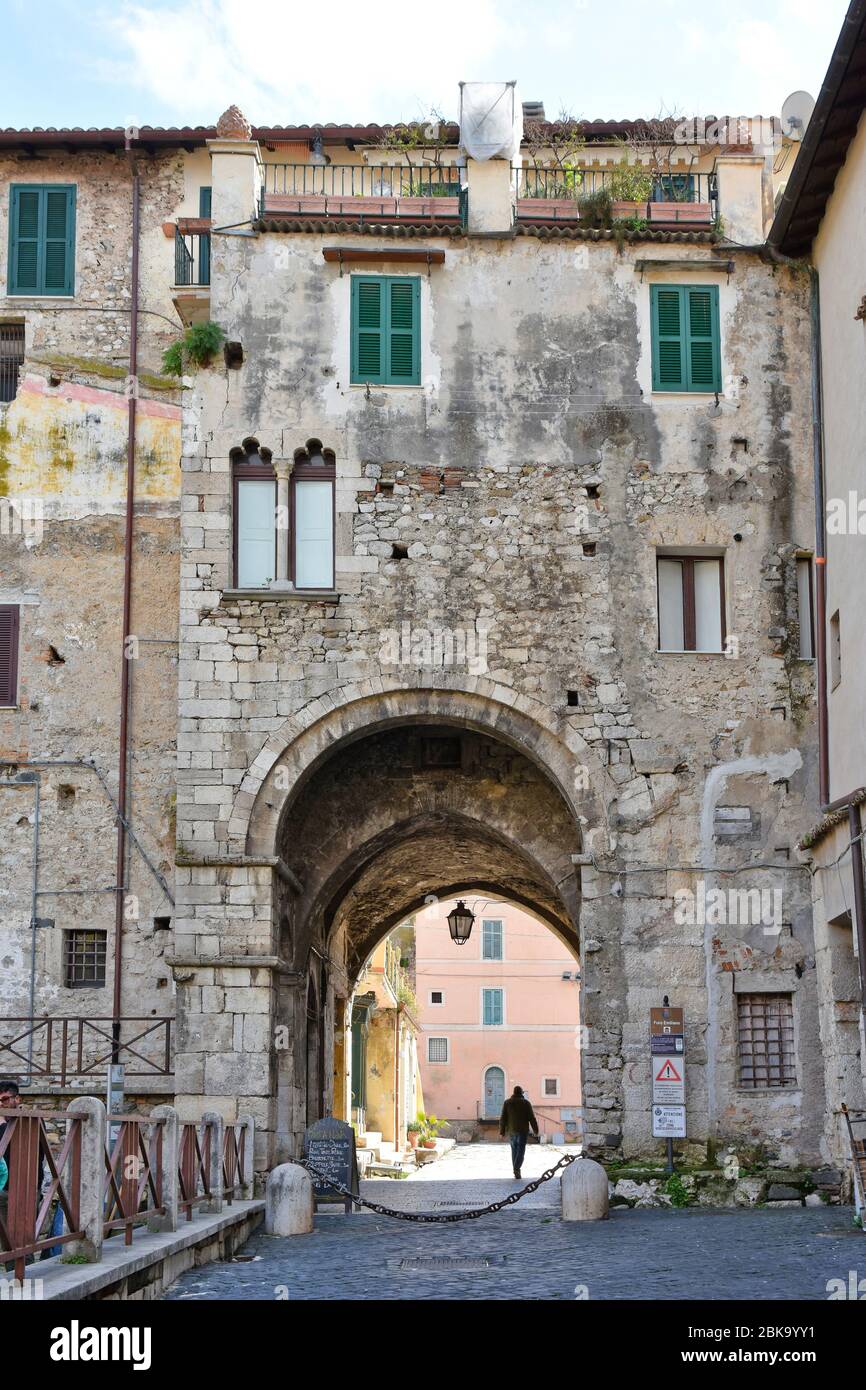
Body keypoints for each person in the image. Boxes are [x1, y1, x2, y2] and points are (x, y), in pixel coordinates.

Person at [499, 1084, 539, 1179]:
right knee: (520, 1151)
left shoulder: (507, 1103)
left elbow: (503, 1118)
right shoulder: (526, 1103)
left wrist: (502, 1131)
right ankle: (516, 1169)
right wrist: (536, 1130)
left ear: (513, 1092)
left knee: (514, 1151)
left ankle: (516, 1169)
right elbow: (532, 1118)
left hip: (512, 1131)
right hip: (522, 1131)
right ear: (521, 1093)